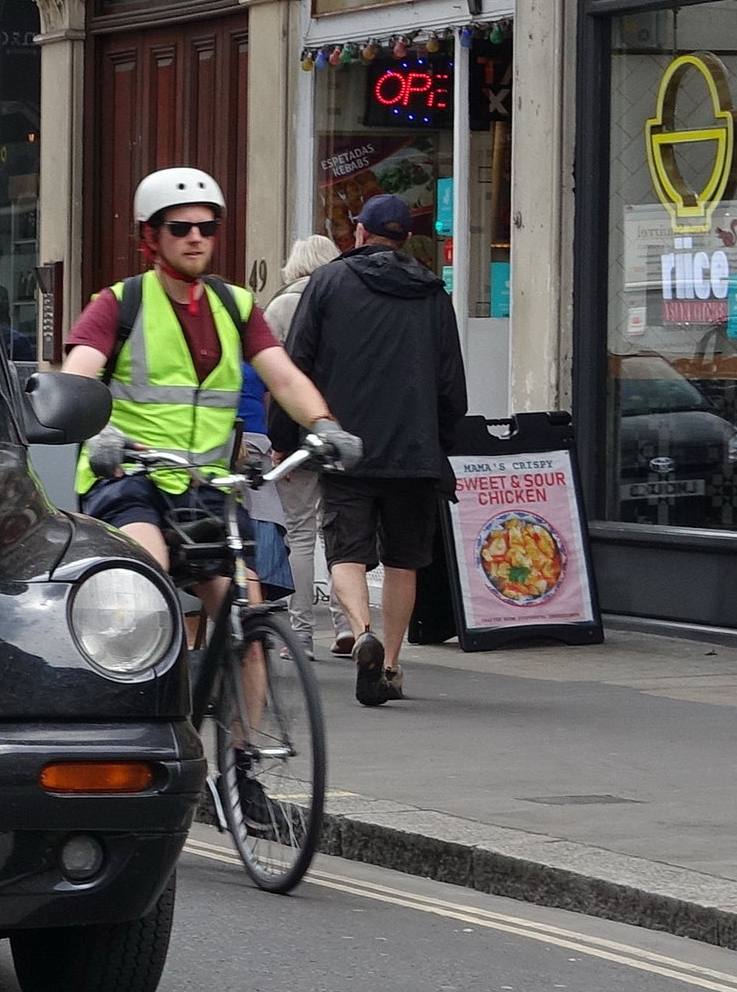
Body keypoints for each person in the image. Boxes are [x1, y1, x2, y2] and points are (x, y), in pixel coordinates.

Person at [60, 167, 359, 617]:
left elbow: (284, 377)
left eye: (207, 228)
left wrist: (324, 425)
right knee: (149, 579)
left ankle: (247, 688)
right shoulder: (120, 303)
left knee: (247, 611)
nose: (196, 238)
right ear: (152, 237)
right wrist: (98, 432)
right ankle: (153, 685)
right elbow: (78, 376)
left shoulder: (235, 305)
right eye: (180, 228)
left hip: (208, 484)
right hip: (130, 479)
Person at [281, 191, 467, 709]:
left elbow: (296, 365)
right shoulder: (433, 293)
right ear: (407, 239)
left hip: (347, 447)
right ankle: (390, 666)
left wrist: (284, 439)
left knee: (346, 552)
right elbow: (451, 382)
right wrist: (442, 442)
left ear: (359, 233)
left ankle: (362, 631)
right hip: (414, 450)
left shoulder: (328, 282)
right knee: (404, 560)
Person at [264, 233, 343, 653]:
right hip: (339, 431)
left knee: (300, 534)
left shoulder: (279, 307)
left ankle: (302, 634)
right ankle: (347, 624)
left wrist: (278, 440)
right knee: (339, 532)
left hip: (296, 433)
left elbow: (276, 383)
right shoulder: (345, 303)